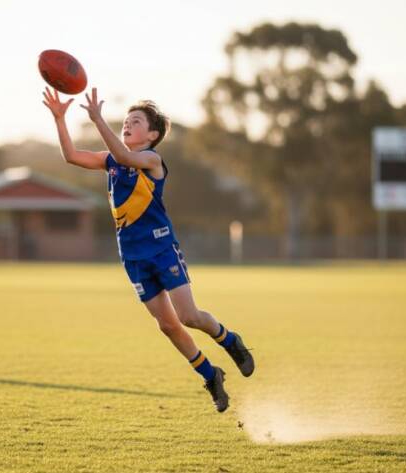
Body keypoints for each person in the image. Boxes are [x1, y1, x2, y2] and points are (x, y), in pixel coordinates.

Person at [42, 87, 254, 412]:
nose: (127, 125)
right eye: (125, 121)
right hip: (133, 256)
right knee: (168, 326)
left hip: (161, 247)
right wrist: (60, 119)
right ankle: (211, 375)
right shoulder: (109, 161)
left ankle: (230, 340)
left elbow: (128, 158)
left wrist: (99, 120)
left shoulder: (152, 160)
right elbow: (71, 155)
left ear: (152, 134)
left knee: (188, 316)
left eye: (135, 121)